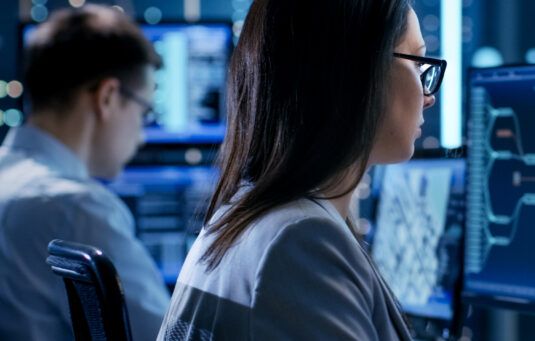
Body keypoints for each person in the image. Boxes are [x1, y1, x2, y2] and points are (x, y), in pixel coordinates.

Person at [158, 0, 444, 339]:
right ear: (354, 72)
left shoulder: (243, 218)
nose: (429, 96)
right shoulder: (300, 241)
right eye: (417, 64)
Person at [0, 5, 170, 340]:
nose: (142, 136)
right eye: (144, 112)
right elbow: (164, 336)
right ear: (107, 97)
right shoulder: (74, 208)